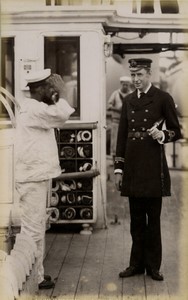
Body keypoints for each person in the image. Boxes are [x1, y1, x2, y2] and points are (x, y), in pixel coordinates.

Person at [114, 58, 182, 281]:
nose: (135, 79)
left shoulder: (163, 98)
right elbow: (122, 136)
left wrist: (163, 135)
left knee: (153, 220)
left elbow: (176, 131)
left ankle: (153, 266)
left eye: (139, 75)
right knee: (135, 220)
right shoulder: (128, 100)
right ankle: (136, 264)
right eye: (133, 75)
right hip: (133, 167)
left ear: (149, 74)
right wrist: (118, 169)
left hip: (153, 167)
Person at [15, 69, 75, 289]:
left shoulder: (35, 108)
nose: (52, 92)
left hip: (36, 177)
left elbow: (55, 111)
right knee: (32, 229)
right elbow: (61, 115)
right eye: (49, 88)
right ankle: (31, 279)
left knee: (37, 227)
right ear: (39, 89)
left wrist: (56, 94)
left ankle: (37, 275)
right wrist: (63, 91)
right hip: (32, 179)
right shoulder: (34, 110)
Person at [107, 76, 133, 159]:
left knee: (127, 139)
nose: (125, 86)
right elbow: (109, 105)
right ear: (121, 84)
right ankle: (114, 158)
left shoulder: (132, 94)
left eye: (127, 85)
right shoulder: (115, 94)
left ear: (129, 85)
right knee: (115, 140)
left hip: (128, 121)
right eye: (123, 84)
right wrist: (117, 109)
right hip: (116, 121)